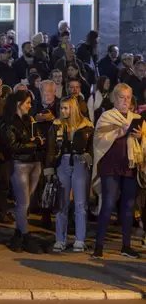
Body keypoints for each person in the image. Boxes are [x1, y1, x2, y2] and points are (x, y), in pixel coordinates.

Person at [91, 84, 143, 259]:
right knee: (108, 204)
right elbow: (98, 139)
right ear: (115, 98)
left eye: (128, 97)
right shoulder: (107, 116)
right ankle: (98, 246)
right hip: (110, 165)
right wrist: (119, 132)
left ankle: (126, 246)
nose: (125, 101)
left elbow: (143, 143)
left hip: (130, 166)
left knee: (128, 206)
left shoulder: (136, 117)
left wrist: (141, 136)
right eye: (122, 97)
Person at [43, 96, 94, 252]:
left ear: (73, 109)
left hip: (80, 162)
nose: (62, 111)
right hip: (62, 163)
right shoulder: (56, 125)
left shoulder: (86, 126)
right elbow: (50, 149)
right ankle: (60, 239)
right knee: (61, 204)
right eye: (61, 108)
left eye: (66, 108)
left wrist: (89, 157)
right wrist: (49, 169)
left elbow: (92, 147)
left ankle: (79, 239)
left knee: (80, 204)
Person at [4, 90, 45, 254]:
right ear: (18, 104)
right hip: (20, 164)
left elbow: (38, 139)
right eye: (27, 103)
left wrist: (36, 142)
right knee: (23, 203)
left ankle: (18, 236)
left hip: (34, 163)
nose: (30, 106)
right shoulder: (9, 123)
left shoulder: (30, 120)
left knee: (26, 203)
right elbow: (13, 147)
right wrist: (33, 143)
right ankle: (26, 236)